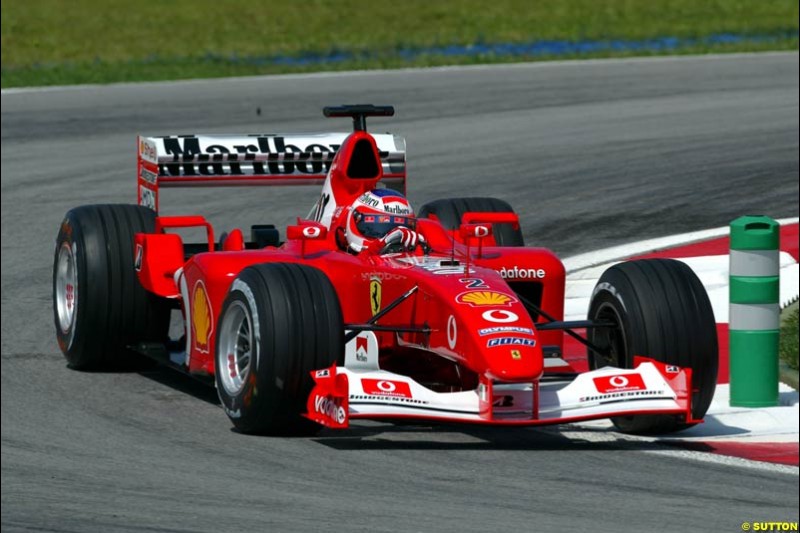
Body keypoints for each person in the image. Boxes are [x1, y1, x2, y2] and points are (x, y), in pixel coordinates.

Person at [337, 189, 426, 254]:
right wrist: (383, 243)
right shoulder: (330, 256)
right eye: (379, 230)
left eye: (407, 227)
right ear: (356, 219)